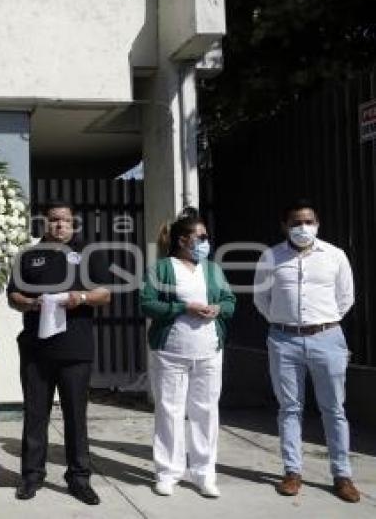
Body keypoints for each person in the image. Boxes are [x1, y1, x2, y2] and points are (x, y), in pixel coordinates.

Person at [253, 199, 359, 503]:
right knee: (289, 407)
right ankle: (292, 471)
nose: (303, 227)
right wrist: (284, 322)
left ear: (317, 224)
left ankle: (342, 475)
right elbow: (262, 300)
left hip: (327, 338)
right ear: (284, 226)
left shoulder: (335, 256)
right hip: (283, 340)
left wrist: (320, 323)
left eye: (309, 221)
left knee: (334, 408)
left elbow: (345, 297)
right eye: (297, 222)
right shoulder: (271, 257)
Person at [7, 200, 111, 505]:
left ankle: (79, 478)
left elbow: (104, 294)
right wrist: (31, 303)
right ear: (45, 223)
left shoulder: (89, 251)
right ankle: (31, 476)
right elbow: (13, 295)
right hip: (36, 351)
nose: (60, 225)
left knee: (76, 417)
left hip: (75, 351)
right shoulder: (29, 254)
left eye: (65, 221)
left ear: (73, 223)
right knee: (35, 415)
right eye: (54, 220)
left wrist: (78, 297)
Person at [139, 207, 235, 498]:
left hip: (208, 352)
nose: (206, 241)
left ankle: (204, 473)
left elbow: (230, 302)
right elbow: (147, 303)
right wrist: (183, 307)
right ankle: (168, 472)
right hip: (171, 352)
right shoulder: (161, 269)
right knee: (169, 411)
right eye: (201, 236)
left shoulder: (212, 270)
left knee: (205, 412)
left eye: (206, 237)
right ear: (182, 240)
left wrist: (219, 308)